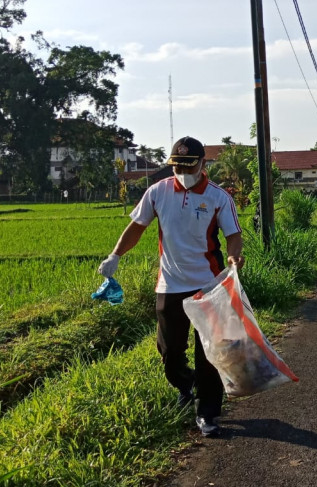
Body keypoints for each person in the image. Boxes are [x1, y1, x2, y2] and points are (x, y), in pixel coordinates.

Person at [98, 136, 243, 438]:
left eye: (189, 166)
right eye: (178, 167)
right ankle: (184, 384)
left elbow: (233, 234)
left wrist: (233, 256)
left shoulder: (219, 198)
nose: (183, 172)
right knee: (169, 349)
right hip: (170, 284)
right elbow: (137, 227)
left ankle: (207, 413)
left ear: (203, 164)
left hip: (209, 284)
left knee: (209, 353)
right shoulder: (158, 192)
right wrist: (116, 255)